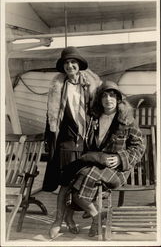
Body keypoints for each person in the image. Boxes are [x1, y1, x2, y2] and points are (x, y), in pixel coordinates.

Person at [49, 80, 145, 239]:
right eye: (105, 96)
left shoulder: (127, 121)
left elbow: (139, 146)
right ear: (100, 100)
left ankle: (95, 217)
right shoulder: (93, 118)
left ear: (119, 99)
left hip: (116, 169)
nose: (109, 99)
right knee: (69, 175)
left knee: (82, 182)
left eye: (113, 96)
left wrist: (121, 158)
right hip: (95, 162)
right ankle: (79, 217)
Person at [42, 46, 102, 233]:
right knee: (65, 183)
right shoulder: (59, 88)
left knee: (80, 184)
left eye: (73, 62)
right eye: (67, 63)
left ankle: (70, 217)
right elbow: (51, 117)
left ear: (79, 66)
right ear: (63, 67)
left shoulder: (89, 87)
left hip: (86, 143)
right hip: (66, 142)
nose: (70, 66)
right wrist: (49, 141)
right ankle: (58, 220)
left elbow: (100, 112)